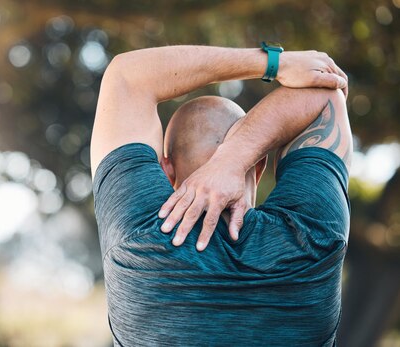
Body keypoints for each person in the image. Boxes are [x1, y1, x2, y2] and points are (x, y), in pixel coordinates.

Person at [90, 45, 352, 346]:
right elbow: (327, 95)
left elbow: (126, 76)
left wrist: (275, 63)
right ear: (259, 168)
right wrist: (233, 158)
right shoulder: (313, 236)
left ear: (167, 171)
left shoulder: (136, 238)